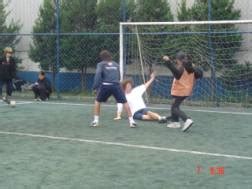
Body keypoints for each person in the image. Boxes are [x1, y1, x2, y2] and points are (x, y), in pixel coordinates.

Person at [91, 50, 136, 128]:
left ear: (102, 58)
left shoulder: (100, 64)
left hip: (106, 86)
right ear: (110, 56)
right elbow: (119, 76)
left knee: (97, 101)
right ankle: (132, 122)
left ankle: (95, 121)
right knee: (125, 102)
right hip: (116, 85)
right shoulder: (116, 64)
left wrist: (95, 87)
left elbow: (98, 75)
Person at [163, 52, 203, 132]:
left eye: (177, 60)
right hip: (186, 90)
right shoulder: (191, 66)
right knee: (174, 105)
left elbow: (177, 75)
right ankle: (175, 122)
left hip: (181, 90)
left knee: (175, 107)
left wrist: (168, 62)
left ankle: (187, 120)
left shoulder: (183, 67)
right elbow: (200, 74)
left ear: (178, 60)